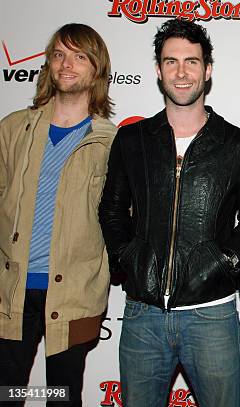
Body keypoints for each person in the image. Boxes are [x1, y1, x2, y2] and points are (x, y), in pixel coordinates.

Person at [98, 19, 240, 406]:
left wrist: (222, 262)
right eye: (171, 61)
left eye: (192, 61)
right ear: (158, 71)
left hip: (212, 316)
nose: (182, 71)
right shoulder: (132, 139)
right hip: (142, 315)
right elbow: (111, 208)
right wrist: (128, 255)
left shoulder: (239, 145)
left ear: (207, 70)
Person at [0, 23, 116, 406]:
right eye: (59, 55)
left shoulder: (112, 142)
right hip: (11, 292)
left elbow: (120, 218)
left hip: (78, 296)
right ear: (48, 64)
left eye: (80, 56)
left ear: (96, 68)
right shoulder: (14, 128)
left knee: (63, 396)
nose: (67, 65)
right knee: (8, 393)